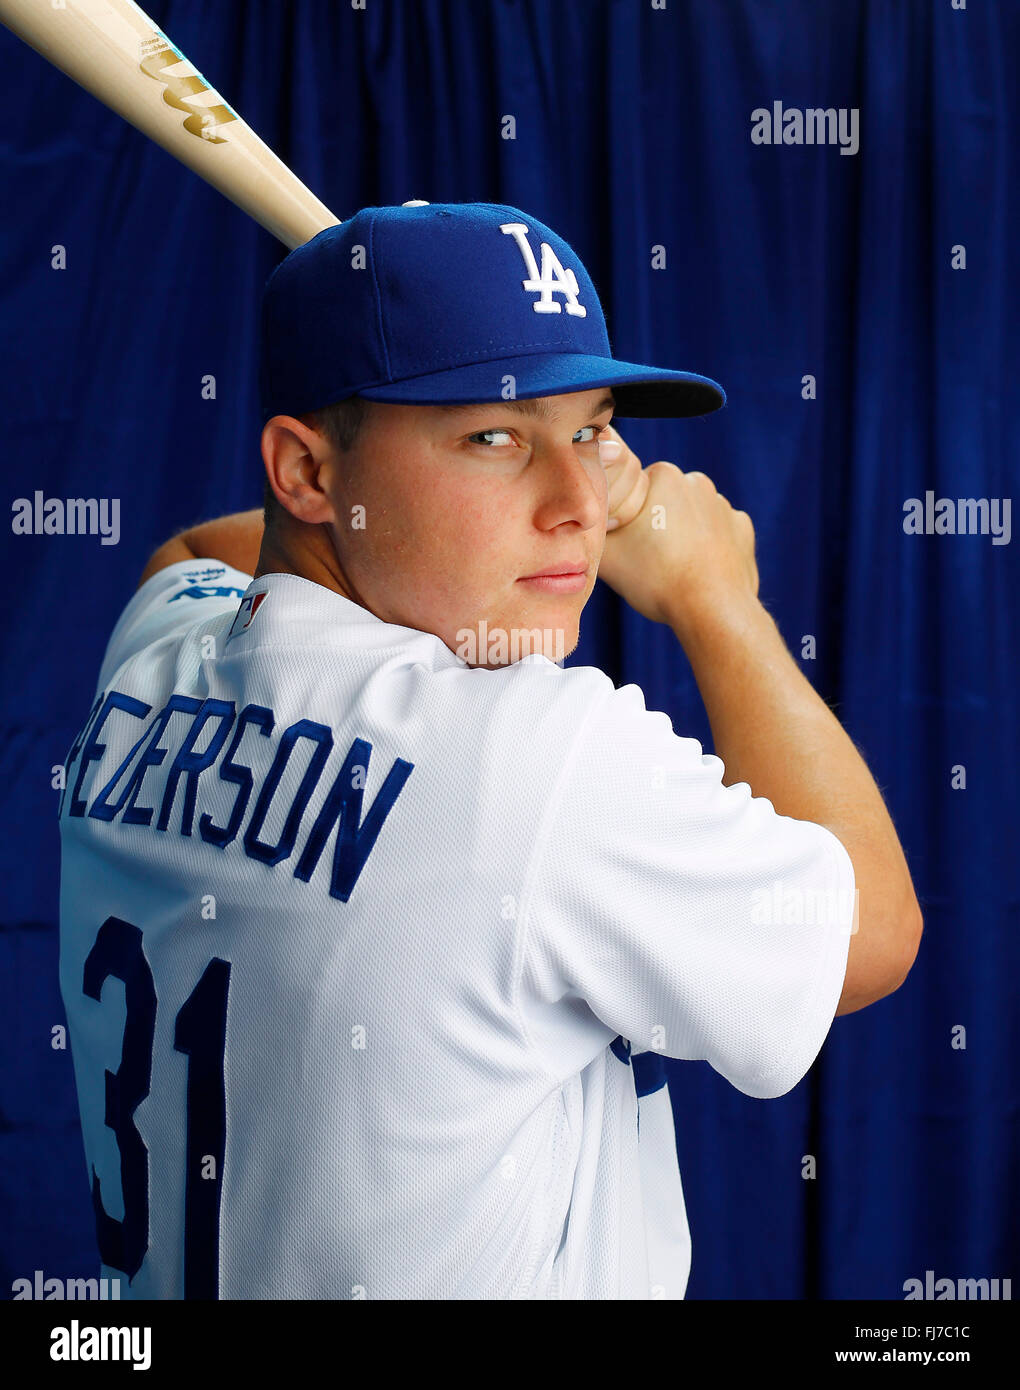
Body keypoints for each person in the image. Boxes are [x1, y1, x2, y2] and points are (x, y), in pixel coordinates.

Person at [57, 201, 922, 1300]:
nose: (581, 507)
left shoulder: (157, 656)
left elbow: (199, 553)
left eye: (595, 431)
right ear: (304, 473)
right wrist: (716, 601)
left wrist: (433, 475)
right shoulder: (536, 753)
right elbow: (871, 934)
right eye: (494, 438)